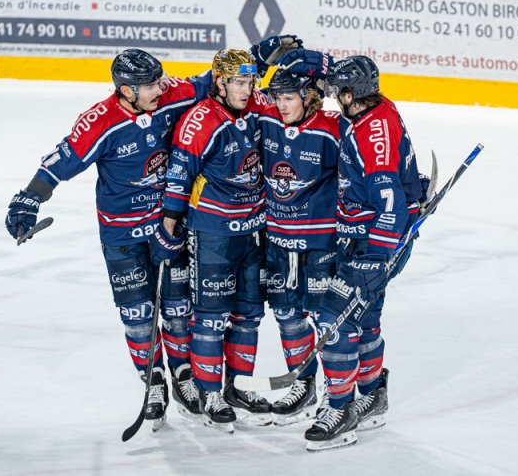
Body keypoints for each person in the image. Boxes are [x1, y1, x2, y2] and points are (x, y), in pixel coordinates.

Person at [3, 37, 301, 431]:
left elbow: (213, 81)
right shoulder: (100, 120)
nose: (162, 88)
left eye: (161, 80)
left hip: (167, 228)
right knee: (139, 317)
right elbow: (62, 160)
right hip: (122, 233)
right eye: (151, 85)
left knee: (179, 311)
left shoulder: (170, 94)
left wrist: (257, 56)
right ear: (126, 91)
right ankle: (155, 378)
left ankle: (184, 378)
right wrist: (29, 199)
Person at [278, 51, 423, 451]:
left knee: (334, 320)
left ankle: (340, 410)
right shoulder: (371, 108)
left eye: (333, 90)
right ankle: (372, 395)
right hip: (365, 236)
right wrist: (305, 58)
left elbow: (390, 206)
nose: (327, 95)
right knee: (366, 317)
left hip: (373, 242)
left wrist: (375, 259)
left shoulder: (369, 135)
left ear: (348, 94)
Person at [161, 49, 277, 433]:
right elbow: (179, 178)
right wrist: (169, 227)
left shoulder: (259, 105)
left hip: (254, 229)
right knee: (210, 317)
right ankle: (209, 391)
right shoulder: (199, 121)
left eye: (251, 82)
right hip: (212, 232)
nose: (248, 90)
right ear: (220, 82)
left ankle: (239, 386)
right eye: (240, 83)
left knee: (249, 314)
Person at [258, 69, 342, 426]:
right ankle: (303, 384)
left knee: (329, 322)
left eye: (289, 98)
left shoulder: (333, 128)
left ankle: (336, 393)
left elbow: (369, 160)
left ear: (309, 97)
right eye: (277, 97)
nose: (281, 105)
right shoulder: (267, 118)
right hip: (278, 240)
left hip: (321, 242)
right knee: (286, 316)